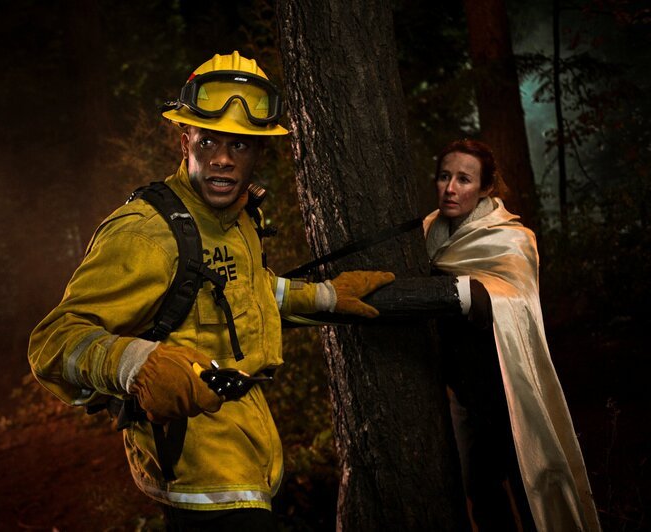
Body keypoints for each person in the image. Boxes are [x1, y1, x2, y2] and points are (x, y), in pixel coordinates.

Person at [27, 51, 393, 530]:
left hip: (250, 446)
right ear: (185, 142)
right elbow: (53, 340)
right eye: (208, 142)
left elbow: (252, 292)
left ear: (259, 151)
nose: (223, 158)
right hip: (197, 467)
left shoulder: (239, 219)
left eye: (239, 145)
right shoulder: (146, 231)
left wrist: (327, 298)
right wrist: (135, 365)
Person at [424, 139, 601, 531]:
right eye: (444, 176)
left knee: (531, 482)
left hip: (507, 384)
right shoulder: (427, 234)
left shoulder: (512, 239)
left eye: (464, 179)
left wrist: (448, 290)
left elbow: (511, 302)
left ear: (486, 188)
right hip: (464, 392)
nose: (451, 188)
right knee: (479, 491)